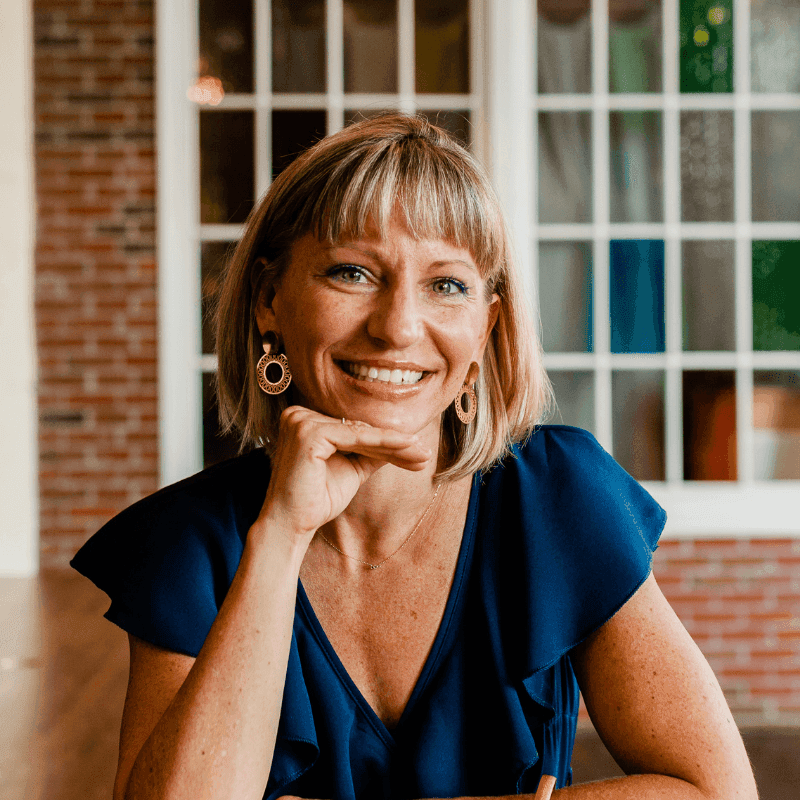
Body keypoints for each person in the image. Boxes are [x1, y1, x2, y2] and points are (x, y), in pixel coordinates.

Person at [71, 113, 757, 800]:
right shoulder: (193, 542)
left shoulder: (557, 498)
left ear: (486, 327)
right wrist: (280, 535)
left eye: (447, 285)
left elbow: (715, 792)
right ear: (267, 301)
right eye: (352, 272)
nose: (398, 326)